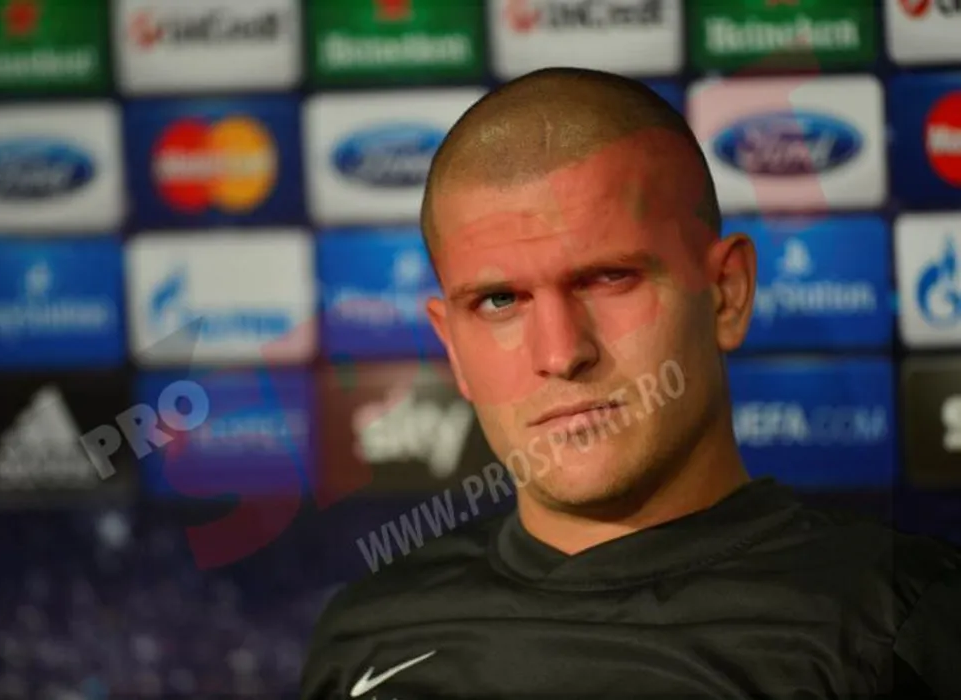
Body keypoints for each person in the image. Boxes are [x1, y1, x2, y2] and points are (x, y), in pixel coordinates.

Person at [299, 68, 961, 699]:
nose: (561, 354)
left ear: (726, 293)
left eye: (609, 277)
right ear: (453, 350)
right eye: (500, 301)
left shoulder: (895, 628)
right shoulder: (365, 638)